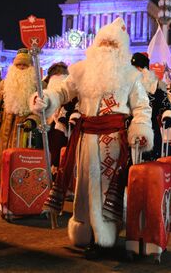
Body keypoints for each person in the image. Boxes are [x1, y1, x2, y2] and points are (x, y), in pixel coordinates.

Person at [30, 17, 153, 259]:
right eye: (104, 42)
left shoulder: (130, 75)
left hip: (113, 140)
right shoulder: (81, 70)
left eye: (113, 44)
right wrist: (47, 99)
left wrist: (139, 129)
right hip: (84, 139)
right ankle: (84, 228)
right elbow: (63, 91)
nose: (107, 47)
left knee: (106, 187)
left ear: (121, 48)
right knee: (84, 186)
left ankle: (103, 236)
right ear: (96, 44)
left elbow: (142, 107)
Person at [0, 48, 40, 188]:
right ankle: (4, 189)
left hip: (25, 132)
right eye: (18, 65)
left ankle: (20, 190)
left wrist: (32, 120)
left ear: (30, 67)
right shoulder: (3, 84)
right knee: (3, 159)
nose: (21, 68)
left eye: (24, 66)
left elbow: (40, 111)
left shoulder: (38, 86)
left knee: (22, 162)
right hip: (4, 132)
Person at [130, 52, 171, 160]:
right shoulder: (126, 86)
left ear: (145, 70)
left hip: (151, 128)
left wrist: (168, 116)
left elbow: (166, 106)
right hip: (129, 127)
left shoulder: (157, 87)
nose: (136, 72)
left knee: (150, 163)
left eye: (139, 68)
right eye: (133, 68)